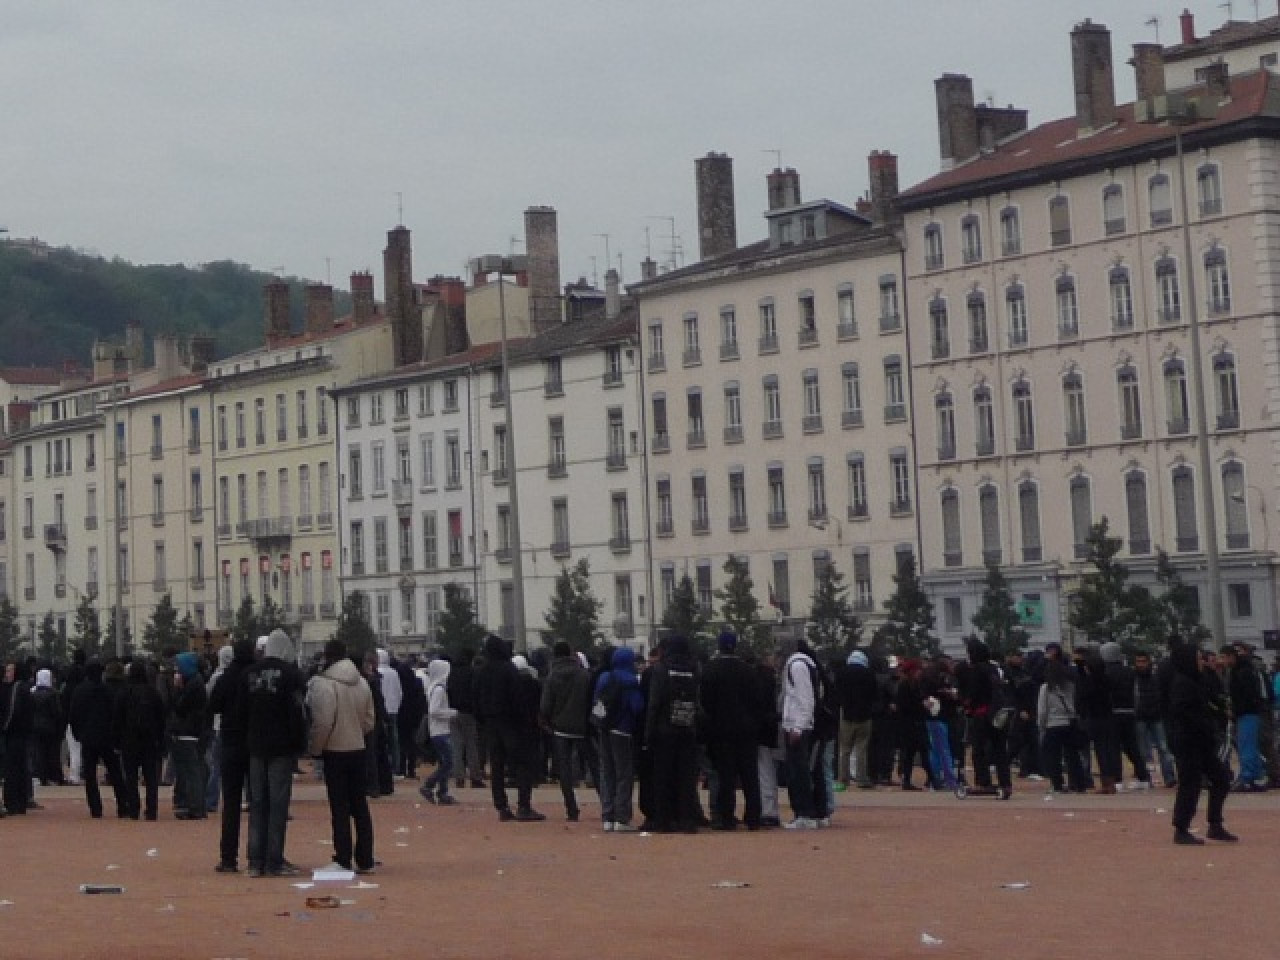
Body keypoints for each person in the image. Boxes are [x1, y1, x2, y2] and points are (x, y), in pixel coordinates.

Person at [308, 639, 378, 874]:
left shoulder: (325, 683)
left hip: (335, 750)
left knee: (339, 806)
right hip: (358, 747)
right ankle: (365, 857)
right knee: (360, 804)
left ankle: (343, 857)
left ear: (328, 657)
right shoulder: (362, 683)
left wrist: (316, 748)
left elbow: (323, 721)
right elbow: (370, 721)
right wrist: (355, 729)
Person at [245, 628, 307, 877]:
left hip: (255, 745)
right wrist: (298, 744)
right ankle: (274, 860)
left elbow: (241, 712)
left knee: (258, 803)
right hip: (281, 746)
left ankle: (254, 860)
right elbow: (297, 712)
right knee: (278, 804)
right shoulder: (291, 675)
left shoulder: (249, 674)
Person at [1168, 643, 1236, 845]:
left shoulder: (1197, 680)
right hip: (1189, 741)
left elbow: (1207, 706)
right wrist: (1204, 726)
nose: (1202, 662)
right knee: (1190, 784)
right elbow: (1184, 714)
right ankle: (1181, 828)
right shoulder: (1182, 683)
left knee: (1221, 778)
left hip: (1202, 741)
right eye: (1198, 658)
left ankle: (1215, 823)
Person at [474, 634, 544, 822]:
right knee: (522, 763)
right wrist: (524, 720)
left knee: (497, 765)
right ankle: (524, 805)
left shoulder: (482, 671)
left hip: (491, 722)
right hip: (511, 723)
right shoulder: (508, 669)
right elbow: (517, 697)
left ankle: (502, 806)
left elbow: (476, 697)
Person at [700, 630, 763, 831]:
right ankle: (753, 816)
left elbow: (705, 702)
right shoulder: (748, 671)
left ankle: (727, 816)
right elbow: (757, 701)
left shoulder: (710, 670)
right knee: (750, 775)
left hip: (721, 730)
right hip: (747, 730)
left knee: (726, 775)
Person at [207, 637, 256, 873]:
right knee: (258, 801)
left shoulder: (226, 677)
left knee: (231, 803)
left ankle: (228, 857)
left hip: (230, 742)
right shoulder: (255, 676)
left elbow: (213, 705)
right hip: (255, 743)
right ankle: (257, 855)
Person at [645, 636, 702, 834]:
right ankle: (687, 819)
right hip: (688, 728)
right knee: (686, 777)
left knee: (663, 776)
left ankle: (663, 820)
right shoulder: (694, 668)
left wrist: (648, 732)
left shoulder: (661, 670)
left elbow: (654, 703)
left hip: (664, 729)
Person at [592, 645, 645, 832]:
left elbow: (596, 702)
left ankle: (607, 816)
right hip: (622, 730)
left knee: (607, 772)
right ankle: (622, 818)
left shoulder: (604, 677)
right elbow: (637, 707)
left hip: (603, 728)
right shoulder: (630, 680)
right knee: (624, 774)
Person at [539, 640, 591, 821]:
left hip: (560, 728)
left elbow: (545, 704)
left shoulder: (552, 676)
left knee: (565, 770)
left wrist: (546, 721)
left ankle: (571, 809)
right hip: (582, 726)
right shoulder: (583, 675)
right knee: (594, 765)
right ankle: (607, 805)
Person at [779, 639, 828, 828]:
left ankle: (804, 813)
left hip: (797, 726)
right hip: (802, 724)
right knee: (807, 771)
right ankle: (812, 812)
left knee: (797, 772)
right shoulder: (807, 664)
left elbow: (805, 699)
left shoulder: (797, 666)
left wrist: (798, 726)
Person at [68, 660, 126, 818]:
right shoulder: (108, 690)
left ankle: (95, 808)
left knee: (90, 774)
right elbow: (115, 713)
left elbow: (73, 714)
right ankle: (123, 804)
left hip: (87, 737)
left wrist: (77, 733)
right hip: (107, 736)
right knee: (115, 772)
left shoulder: (80, 691)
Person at [115, 660, 167, 820]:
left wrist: (117, 740)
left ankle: (133, 808)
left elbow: (117, 718)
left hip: (129, 740)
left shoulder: (124, 692)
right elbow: (161, 718)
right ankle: (152, 810)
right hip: (149, 739)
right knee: (151, 777)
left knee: (131, 777)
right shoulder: (152, 692)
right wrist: (160, 739)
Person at [963, 640, 1012, 800]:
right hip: (998, 714)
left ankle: (983, 781)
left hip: (981, 713)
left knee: (978, 749)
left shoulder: (976, 670)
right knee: (1000, 750)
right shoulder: (994, 669)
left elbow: (974, 693)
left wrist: (967, 703)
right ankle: (1005, 782)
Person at [1037, 656, 1087, 793]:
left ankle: (1057, 784)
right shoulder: (1071, 686)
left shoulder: (1046, 688)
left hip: (1053, 725)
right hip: (1069, 723)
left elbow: (1042, 711)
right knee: (1073, 756)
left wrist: (1041, 726)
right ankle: (1079, 783)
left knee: (1053, 757)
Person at [169, 652, 209, 819]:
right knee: (195, 769)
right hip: (195, 730)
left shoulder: (193, 685)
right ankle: (196, 805)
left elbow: (180, 707)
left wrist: (177, 690)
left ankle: (195, 807)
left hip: (189, 731)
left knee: (191, 771)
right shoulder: (197, 682)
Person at [1222, 644, 1266, 791]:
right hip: (1249, 712)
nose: (1222, 661)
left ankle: (1247, 776)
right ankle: (1257, 776)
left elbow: (1245, 695)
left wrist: (1235, 709)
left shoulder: (1241, 672)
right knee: (1250, 745)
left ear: (1230, 656)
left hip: (1246, 712)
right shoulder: (1245, 670)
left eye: (1224, 657)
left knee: (1246, 746)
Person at [1133, 652, 1176, 788]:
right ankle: (1146, 778)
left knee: (1164, 748)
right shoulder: (1134, 678)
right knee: (1143, 751)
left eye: (1143, 661)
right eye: (1138, 661)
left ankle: (1169, 777)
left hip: (1156, 716)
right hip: (1141, 717)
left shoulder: (1156, 678)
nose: (1141, 664)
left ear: (1149, 662)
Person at [835, 650, 876, 789]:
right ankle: (862, 778)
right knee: (861, 748)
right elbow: (874, 694)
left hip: (846, 714)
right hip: (864, 715)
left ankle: (843, 778)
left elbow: (837, 692)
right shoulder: (869, 674)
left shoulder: (841, 673)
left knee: (845, 749)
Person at [419, 658, 458, 805]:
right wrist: (451, 713)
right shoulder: (439, 689)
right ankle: (429, 785)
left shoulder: (433, 687)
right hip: (440, 730)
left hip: (438, 730)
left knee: (444, 762)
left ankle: (443, 792)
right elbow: (434, 711)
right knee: (448, 763)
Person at [446, 647, 485, 789]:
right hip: (468, 712)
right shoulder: (471, 672)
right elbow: (476, 692)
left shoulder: (452, 673)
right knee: (471, 746)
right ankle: (475, 776)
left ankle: (459, 777)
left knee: (457, 746)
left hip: (453, 712)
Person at [30, 668, 65, 786]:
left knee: (39, 752)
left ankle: (41, 776)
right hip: (50, 727)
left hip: (35, 726)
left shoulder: (33, 693)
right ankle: (54, 776)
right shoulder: (53, 694)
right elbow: (57, 712)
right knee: (52, 753)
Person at [395, 654, 426, 780]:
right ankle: (411, 769)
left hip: (401, 714)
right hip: (413, 716)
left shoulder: (400, 682)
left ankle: (401, 768)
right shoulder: (416, 682)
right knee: (411, 742)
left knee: (401, 742)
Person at [62, 649, 88, 786]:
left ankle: (74, 775)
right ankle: (84, 773)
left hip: (71, 719)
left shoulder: (68, 688)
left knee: (74, 748)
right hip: (86, 719)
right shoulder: (85, 686)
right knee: (84, 749)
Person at [376, 649, 403, 778]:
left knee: (382, 740)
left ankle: (384, 768)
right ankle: (396, 767)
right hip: (393, 709)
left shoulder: (377, 672)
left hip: (381, 710)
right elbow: (399, 691)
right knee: (394, 740)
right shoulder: (394, 672)